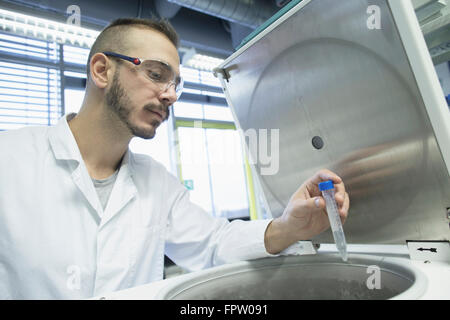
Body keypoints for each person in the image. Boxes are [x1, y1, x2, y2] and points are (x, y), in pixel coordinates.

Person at [0, 18, 350, 299]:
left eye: (176, 84)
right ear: (102, 71)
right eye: (156, 74)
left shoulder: (155, 182)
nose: (169, 95)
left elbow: (214, 244)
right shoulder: (10, 159)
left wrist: (290, 227)